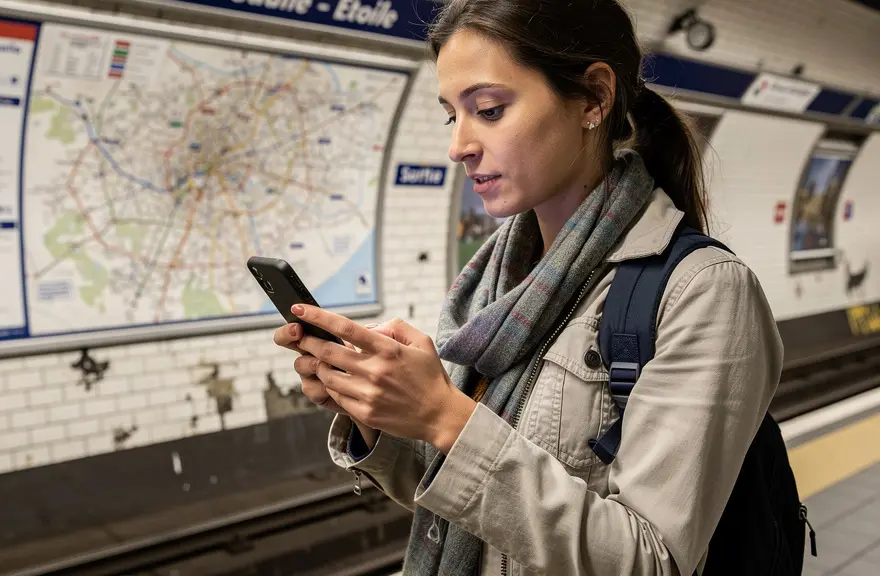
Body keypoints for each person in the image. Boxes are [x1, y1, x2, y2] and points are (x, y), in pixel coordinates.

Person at [272, 0, 784, 574]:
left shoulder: (702, 293)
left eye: (488, 110)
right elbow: (460, 497)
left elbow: (652, 560)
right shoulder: (499, 282)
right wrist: (381, 413)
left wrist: (445, 417)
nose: (458, 144)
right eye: (451, 115)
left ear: (593, 97)